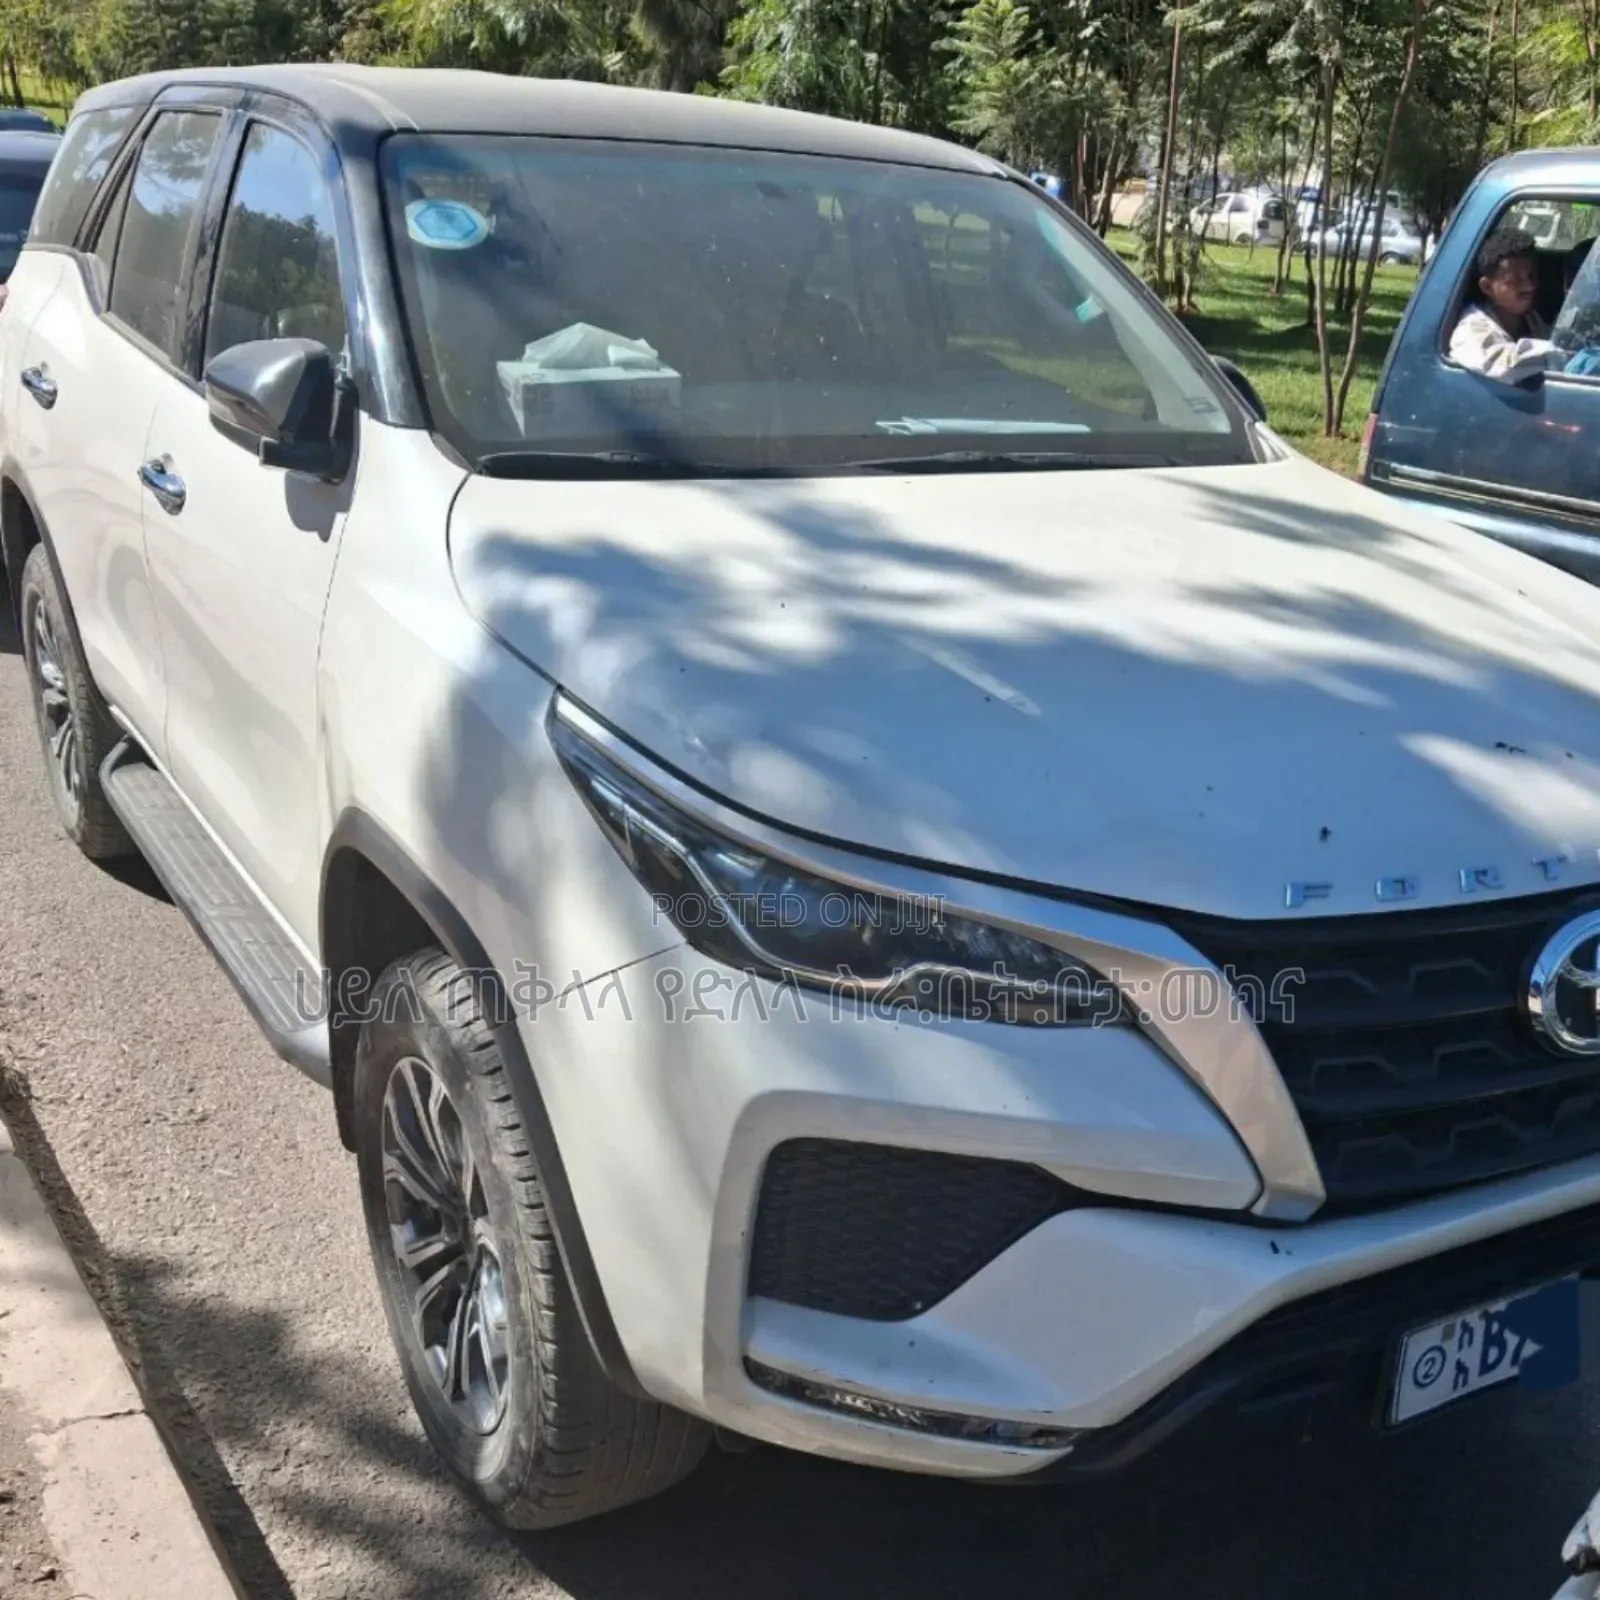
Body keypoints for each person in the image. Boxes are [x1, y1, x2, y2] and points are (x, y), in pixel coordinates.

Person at [1450, 226, 1560, 382]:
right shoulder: (1472, 329)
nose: (1530, 286)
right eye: (1515, 281)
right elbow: (1505, 367)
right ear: (1487, 287)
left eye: (1531, 276)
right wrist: (1558, 354)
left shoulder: (1530, 318)